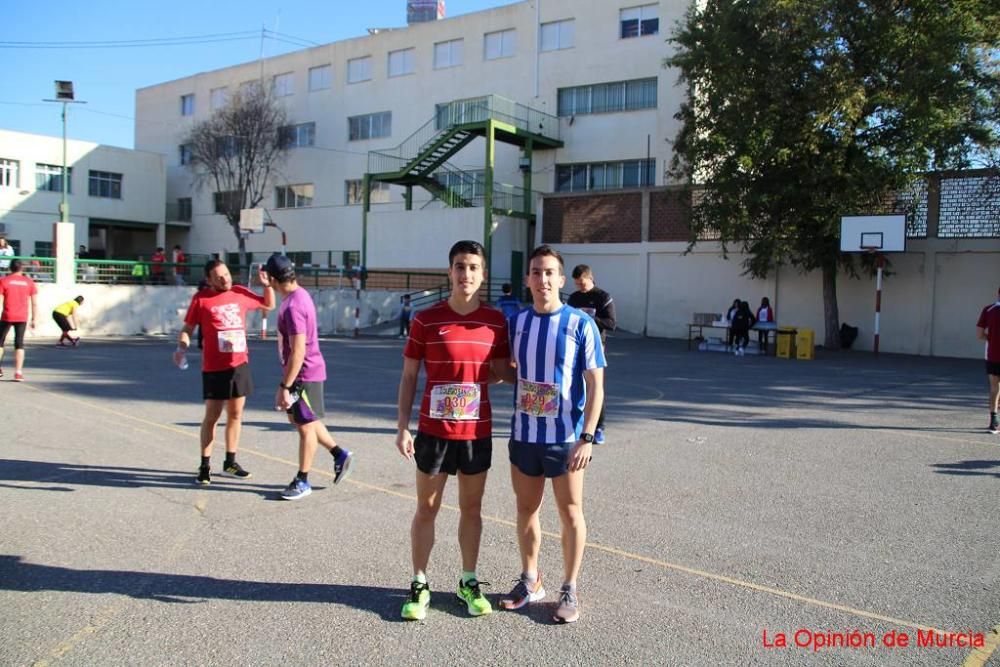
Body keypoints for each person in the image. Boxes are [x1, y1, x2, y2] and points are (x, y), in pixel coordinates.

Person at [395, 240, 511, 621]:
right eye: (460, 267)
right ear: (450, 272)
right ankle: (419, 582)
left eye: (473, 267)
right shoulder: (426, 320)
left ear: (483, 274)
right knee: (426, 508)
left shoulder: (495, 321)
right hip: (433, 433)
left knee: (472, 509)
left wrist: (543, 375)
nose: (466, 274)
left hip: (476, 434)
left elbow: (498, 372)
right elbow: (410, 375)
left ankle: (468, 580)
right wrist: (402, 427)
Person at [498, 245, 605, 625]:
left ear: (561, 280)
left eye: (549, 273)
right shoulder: (516, 323)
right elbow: (510, 371)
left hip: (565, 439)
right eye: (535, 272)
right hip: (525, 435)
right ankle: (531, 580)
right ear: (527, 279)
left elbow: (596, 387)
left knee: (570, 512)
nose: (542, 280)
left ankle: (570, 587)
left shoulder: (580, 324)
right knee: (526, 510)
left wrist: (588, 437)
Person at [173, 259, 275, 485]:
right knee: (212, 417)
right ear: (209, 280)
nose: (225, 279)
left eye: (227, 274)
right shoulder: (201, 300)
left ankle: (230, 462)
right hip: (214, 368)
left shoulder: (240, 292)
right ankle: (205, 465)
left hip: (239, 365)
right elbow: (188, 328)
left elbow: (268, 305)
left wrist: (267, 285)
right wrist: (181, 348)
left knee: (236, 415)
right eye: (219, 277)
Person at [266, 254, 355, 500]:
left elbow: (299, 351)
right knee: (302, 420)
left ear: (273, 278)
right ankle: (339, 454)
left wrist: (285, 385)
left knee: (305, 427)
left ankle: (302, 480)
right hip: (304, 372)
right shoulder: (299, 295)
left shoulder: (294, 306)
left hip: (304, 373)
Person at [567, 265, 616, 444]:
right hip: (573, 346)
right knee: (575, 385)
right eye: (577, 284)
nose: (580, 287)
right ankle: (576, 423)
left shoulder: (602, 297)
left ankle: (599, 428)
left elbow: (611, 323)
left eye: (582, 283)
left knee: (594, 386)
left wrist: (589, 318)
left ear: (590, 278)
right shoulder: (574, 298)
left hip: (595, 347)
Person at [0, 260, 38, 381]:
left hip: (7, 315)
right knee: (19, 343)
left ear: (10, 268)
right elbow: (34, 303)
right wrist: (34, 319)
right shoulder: (29, 282)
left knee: (0, 342)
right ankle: (18, 372)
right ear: (22, 268)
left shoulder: (4, 281)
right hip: (22, 316)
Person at [976, 286, 1000, 434]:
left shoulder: (988, 310)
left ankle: (993, 421)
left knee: (994, 388)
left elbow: (979, 335)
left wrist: (991, 339)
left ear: (998, 293)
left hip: (993, 355)